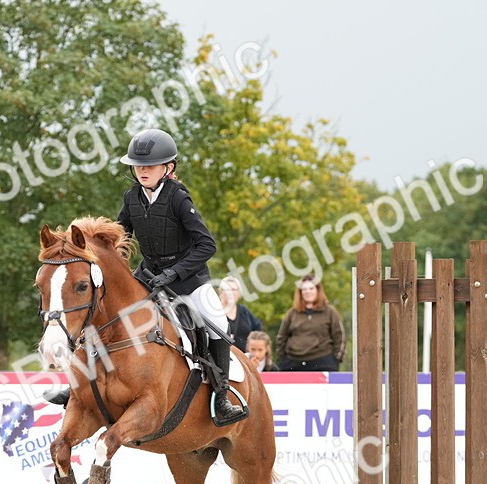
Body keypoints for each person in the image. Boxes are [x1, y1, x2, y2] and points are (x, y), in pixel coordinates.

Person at [45, 128, 246, 425]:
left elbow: (207, 245)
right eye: (138, 165)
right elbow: (116, 238)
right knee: (103, 314)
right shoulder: (132, 198)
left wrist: (175, 272)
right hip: (149, 276)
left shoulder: (178, 198)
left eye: (149, 165)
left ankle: (221, 395)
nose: (142, 171)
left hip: (188, 280)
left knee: (218, 324)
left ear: (168, 168)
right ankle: (79, 384)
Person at [274, 274, 345, 371]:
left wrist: (336, 359)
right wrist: (282, 359)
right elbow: (281, 337)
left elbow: (339, 336)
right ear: (300, 292)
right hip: (293, 362)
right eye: (304, 289)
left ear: (317, 290)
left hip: (323, 362)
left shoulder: (330, 312)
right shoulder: (292, 313)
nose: (308, 292)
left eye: (311, 288)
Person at [219, 276, 263, 353]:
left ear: (239, 293)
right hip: (224, 358)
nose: (231, 293)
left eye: (234, 290)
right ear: (221, 292)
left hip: (246, 359)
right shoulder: (216, 312)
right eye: (228, 289)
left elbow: (258, 330)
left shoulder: (244, 311)